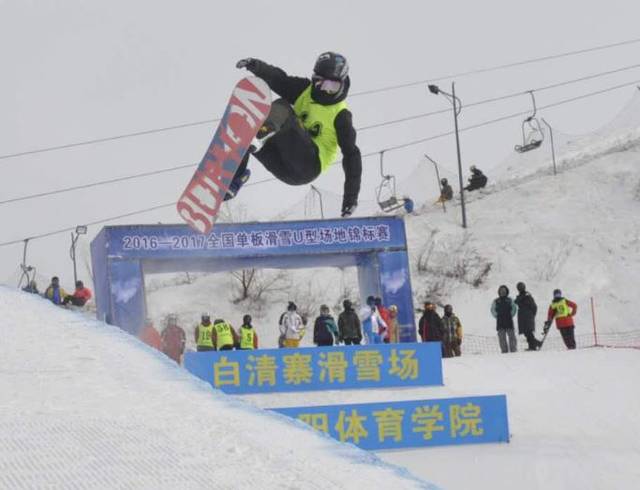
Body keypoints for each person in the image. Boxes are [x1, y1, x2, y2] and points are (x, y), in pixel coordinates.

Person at [233, 53, 362, 218]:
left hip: (308, 165)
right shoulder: (305, 90)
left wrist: (350, 200)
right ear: (314, 79)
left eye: (333, 86)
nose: (326, 91)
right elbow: (280, 80)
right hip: (286, 168)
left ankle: (257, 137)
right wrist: (256, 66)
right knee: (248, 124)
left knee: (282, 107)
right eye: (321, 84)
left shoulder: (341, 115)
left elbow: (352, 156)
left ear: (342, 84)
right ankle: (233, 181)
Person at [514, 282, 542, 351]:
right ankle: (533, 345)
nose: (520, 288)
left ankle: (535, 345)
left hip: (528, 316)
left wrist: (532, 315)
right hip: (523, 317)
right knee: (527, 332)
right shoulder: (521, 297)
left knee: (528, 332)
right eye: (519, 287)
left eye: (521, 287)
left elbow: (534, 307)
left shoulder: (528, 296)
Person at [491, 285, 518, 353]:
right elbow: (492, 310)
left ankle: (513, 350)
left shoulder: (510, 300)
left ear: (506, 292)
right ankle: (504, 351)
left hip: (509, 321)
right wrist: (497, 316)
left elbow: (514, 308)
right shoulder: (496, 301)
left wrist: (510, 315)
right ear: (499, 292)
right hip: (500, 322)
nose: (503, 292)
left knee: (512, 337)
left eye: (504, 291)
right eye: (501, 291)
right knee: (502, 338)